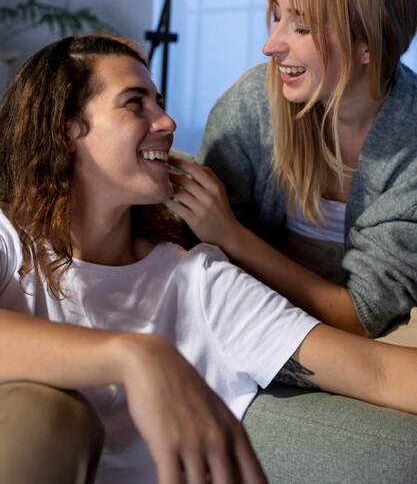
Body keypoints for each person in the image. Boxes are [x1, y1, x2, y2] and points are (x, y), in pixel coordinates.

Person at [2, 34, 417, 484]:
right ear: (66, 131)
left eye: (159, 102)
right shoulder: (8, 242)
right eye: (135, 104)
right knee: (48, 415)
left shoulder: (198, 281)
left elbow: (376, 372)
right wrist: (134, 355)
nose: (167, 121)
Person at [167, 0, 417, 344]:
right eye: (277, 16)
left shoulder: (409, 141)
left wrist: (231, 234)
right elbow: (200, 255)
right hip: (252, 310)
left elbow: (363, 315)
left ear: (368, 44)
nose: (270, 45)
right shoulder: (253, 103)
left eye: (300, 28)